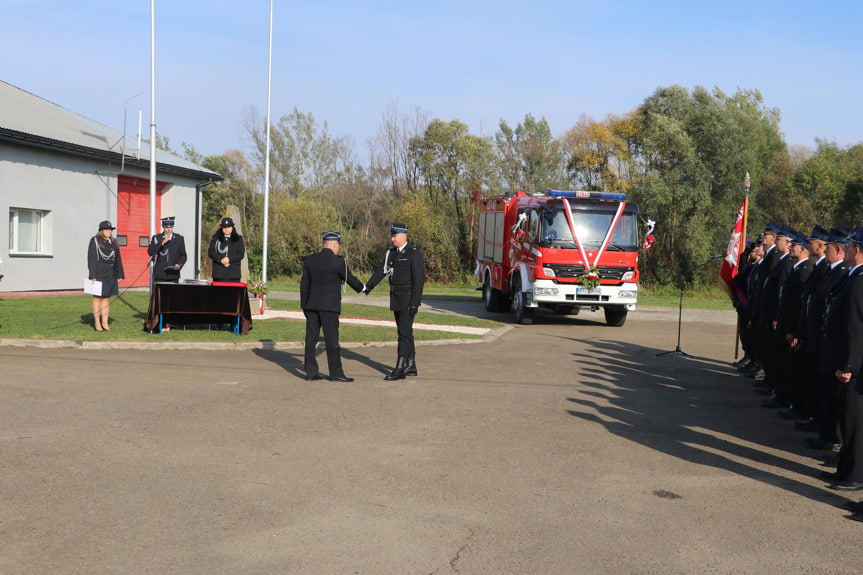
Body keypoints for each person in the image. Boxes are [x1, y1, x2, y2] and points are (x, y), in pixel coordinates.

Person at [300, 231, 366, 382]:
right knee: (331, 341)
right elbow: (350, 279)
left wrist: (304, 305)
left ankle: (311, 372)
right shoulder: (338, 262)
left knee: (311, 339)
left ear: (324, 244)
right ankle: (336, 373)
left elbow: (304, 284)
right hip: (329, 307)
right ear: (335, 245)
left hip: (311, 306)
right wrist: (363, 288)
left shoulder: (310, 260)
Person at [365, 222, 426, 381]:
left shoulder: (413, 253)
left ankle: (400, 368)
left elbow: (419, 280)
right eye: (391, 235)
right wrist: (368, 286)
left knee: (404, 333)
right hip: (396, 298)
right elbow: (381, 271)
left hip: (408, 299)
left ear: (403, 235)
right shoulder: (391, 253)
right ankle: (411, 364)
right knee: (405, 332)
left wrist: (415, 302)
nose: (392, 239)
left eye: (395, 235)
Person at [87, 220, 125, 331]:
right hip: (99, 273)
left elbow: (118, 259)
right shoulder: (95, 241)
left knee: (107, 298)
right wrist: (93, 275)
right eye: (107, 229)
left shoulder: (113, 242)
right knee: (98, 298)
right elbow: (92, 258)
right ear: (101, 231)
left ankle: (105, 322)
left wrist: (120, 275)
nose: (109, 231)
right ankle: (97, 322)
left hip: (111, 273)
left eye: (110, 230)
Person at [147, 216, 187, 283]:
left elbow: (183, 255)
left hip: (173, 274)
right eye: (166, 227)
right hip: (160, 274)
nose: (169, 229)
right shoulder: (157, 238)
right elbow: (151, 252)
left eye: (170, 227)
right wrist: (161, 243)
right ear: (163, 226)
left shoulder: (179, 239)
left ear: (173, 226)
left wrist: (179, 264)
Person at [208, 217, 245, 282]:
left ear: (232, 228)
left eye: (228, 227)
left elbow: (241, 254)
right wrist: (220, 260)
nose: (226, 229)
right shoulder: (216, 237)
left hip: (233, 274)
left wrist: (229, 260)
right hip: (219, 274)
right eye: (224, 227)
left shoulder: (238, 238)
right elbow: (211, 251)